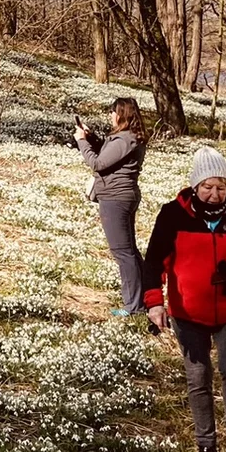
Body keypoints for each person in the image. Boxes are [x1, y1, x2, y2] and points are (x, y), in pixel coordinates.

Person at [141, 146, 226, 452]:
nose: (215, 194)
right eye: (208, 187)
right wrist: (155, 303)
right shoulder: (172, 214)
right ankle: (205, 445)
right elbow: (153, 262)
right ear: (195, 186)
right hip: (188, 312)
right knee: (198, 379)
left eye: (221, 187)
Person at [74, 96, 149, 321]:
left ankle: (133, 307)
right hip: (121, 196)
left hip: (115, 199)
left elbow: (97, 163)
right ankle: (144, 298)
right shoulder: (127, 137)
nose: (110, 115)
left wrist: (81, 141)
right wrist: (91, 137)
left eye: (113, 111)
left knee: (123, 253)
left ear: (121, 114)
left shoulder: (125, 139)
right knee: (130, 251)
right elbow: (109, 156)